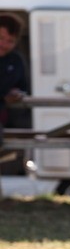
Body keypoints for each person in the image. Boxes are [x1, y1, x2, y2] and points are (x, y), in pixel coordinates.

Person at [0, 13, 30, 148]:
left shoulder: (16, 60)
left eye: (10, 41)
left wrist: (17, 93)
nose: (3, 44)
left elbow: (23, 86)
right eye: (0, 38)